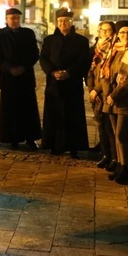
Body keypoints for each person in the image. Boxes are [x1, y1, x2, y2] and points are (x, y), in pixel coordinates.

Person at [39, 9, 90, 158]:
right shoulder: (49, 40)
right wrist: (53, 72)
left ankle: (73, 146)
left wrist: (69, 72)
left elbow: (83, 61)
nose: (63, 24)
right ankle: (54, 145)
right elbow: (43, 59)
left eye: (66, 21)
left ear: (71, 22)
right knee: (54, 115)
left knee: (72, 116)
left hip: (72, 84)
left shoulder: (81, 41)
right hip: (54, 84)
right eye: (60, 21)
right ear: (57, 22)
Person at [0, 7, 42, 150]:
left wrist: (23, 67)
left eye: (17, 18)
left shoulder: (28, 33)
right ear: (6, 19)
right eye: (12, 18)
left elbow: (34, 53)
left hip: (25, 77)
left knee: (28, 110)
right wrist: (9, 68)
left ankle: (30, 138)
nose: (15, 21)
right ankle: (13, 138)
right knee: (10, 109)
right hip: (8, 78)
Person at [103, 20, 128, 184]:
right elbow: (106, 71)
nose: (126, 36)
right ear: (117, 34)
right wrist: (107, 94)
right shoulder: (114, 49)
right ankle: (119, 165)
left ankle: (125, 168)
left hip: (124, 99)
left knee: (121, 135)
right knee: (114, 134)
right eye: (122, 32)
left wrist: (115, 95)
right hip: (111, 98)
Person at [87, 21, 116, 168]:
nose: (104, 33)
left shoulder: (114, 48)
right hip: (96, 92)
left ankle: (113, 157)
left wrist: (96, 89)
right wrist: (91, 88)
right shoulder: (96, 48)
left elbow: (108, 75)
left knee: (109, 127)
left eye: (108, 30)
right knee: (101, 126)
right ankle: (105, 154)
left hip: (106, 91)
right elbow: (90, 70)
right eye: (102, 30)